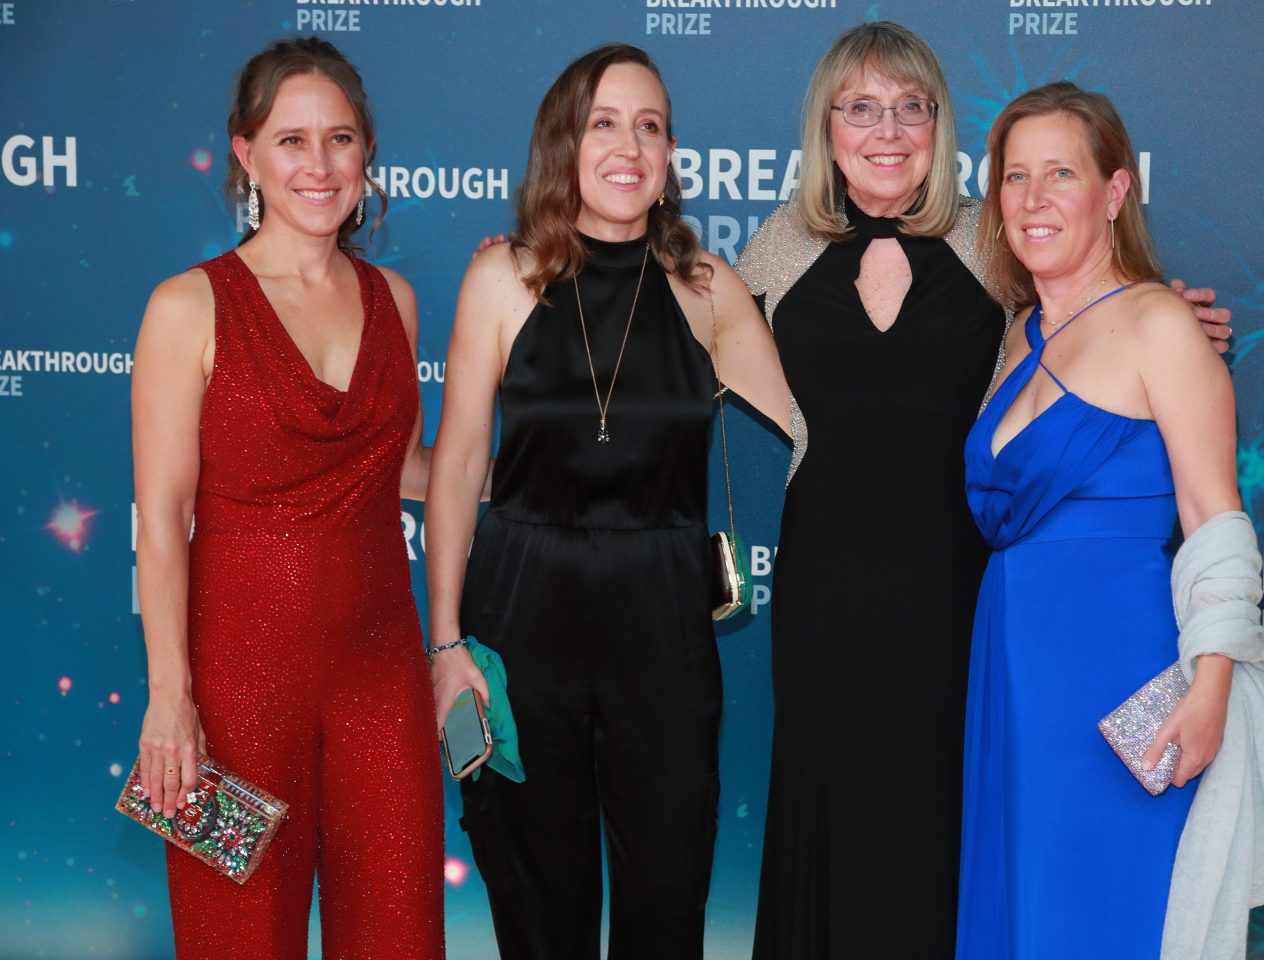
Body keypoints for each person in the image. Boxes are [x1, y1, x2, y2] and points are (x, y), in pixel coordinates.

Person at [734, 22, 1233, 960]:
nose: (887, 129)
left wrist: (1167, 307)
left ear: (940, 125)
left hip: (962, 598)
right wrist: (542, 255)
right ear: (825, 129)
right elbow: (660, 316)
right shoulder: (777, 249)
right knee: (827, 820)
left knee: (952, 823)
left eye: (911, 106)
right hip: (822, 597)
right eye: (861, 108)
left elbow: (1085, 311)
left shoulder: (989, 238)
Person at [423, 44, 790, 959]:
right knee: (536, 898)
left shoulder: (710, 291)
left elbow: (834, 418)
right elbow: (461, 465)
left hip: (661, 620)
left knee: (667, 894)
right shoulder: (500, 279)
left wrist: (1060, 328)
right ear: (564, 144)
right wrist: (444, 643)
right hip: (518, 612)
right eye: (605, 122)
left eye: (652, 125)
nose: (630, 145)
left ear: (670, 156)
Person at [956, 81, 1264, 959]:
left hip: (1116, 677)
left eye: (1061, 174)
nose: (1033, 200)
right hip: (1013, 671)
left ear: (1114, 193)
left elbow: (1216, 521)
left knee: (1103, 911)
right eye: (1014, 177)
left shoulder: (1160, 324)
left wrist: (1213, 691)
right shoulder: (1016, 335)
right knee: (1021, 909)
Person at [131, 37, 443, 959]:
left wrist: (561, 470)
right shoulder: (186, 306)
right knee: (237, 941)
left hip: (382, 682)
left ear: (366, 153)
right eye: (291, 139)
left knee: (398, 935)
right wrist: (169, 699)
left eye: (340, 139)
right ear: (246, 155)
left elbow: (400, 471)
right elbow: (159, 518)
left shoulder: (397, 299)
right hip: (229, 697)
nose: (319, 165)